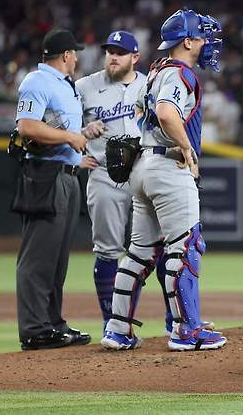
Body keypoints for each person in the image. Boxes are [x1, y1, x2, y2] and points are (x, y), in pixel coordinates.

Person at [100, 8, 226, 351]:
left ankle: (117, 328)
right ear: (187, 41)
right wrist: (186, 148)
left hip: (143, 165)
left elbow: (142, 113)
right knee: (185, 247)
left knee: (141, 252)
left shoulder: (155, 72)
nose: (207, 43)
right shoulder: (180, 73)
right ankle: (187, 330)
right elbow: (168, 113)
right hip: (167, 166)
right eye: (202, 37)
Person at [13, 28, 94, 350]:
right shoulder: (37, 81)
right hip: (44, 176)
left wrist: (81, 137)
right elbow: (27, 127)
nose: (76, 57)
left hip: (65, 174)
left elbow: (56, 130)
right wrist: (71, 138)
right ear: (65, 56)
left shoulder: (62, 84)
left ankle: (51, 324)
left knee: (57, 260)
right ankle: (34, 328)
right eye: (74, 52)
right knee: (37, 259)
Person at [75, 31, 149, 329]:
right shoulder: (84, 86)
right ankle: (113, 322)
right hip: (105, 174)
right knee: (107, 250)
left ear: (135, 57)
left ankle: (171, 320)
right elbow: (51, 126)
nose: (113, 57)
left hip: (144, 172)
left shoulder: (149, 84)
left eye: (120, 52)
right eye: (110, 51)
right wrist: (79, 137)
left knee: (150, 249)